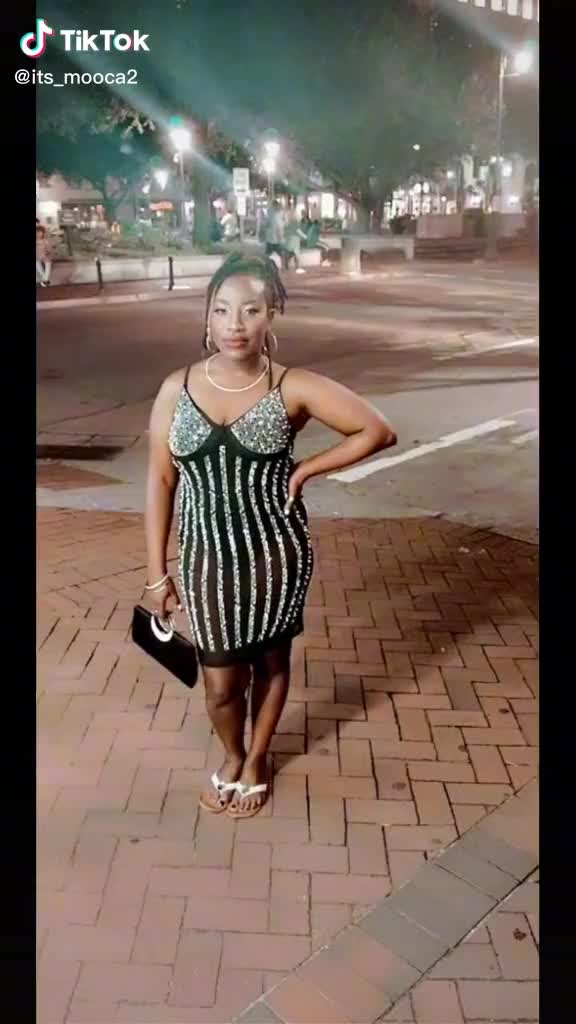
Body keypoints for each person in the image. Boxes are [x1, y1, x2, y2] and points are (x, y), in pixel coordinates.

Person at [144, 253, 396, 818]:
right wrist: (157, 574)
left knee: (271, 662)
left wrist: (306, 471)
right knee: (220, 684)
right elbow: (160, 481)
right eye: (221, 310)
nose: (234, 324)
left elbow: (377, 430)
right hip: (206, 559)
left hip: (274, 553)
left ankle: (256, 759)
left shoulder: (290, 385)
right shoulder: (176, 388)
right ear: (207, 318)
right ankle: (232, 753)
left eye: (250, 310)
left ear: (271, 317)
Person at [264, 201, 287, 268]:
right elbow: (285, 224)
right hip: (277, 239)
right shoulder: (280, 214)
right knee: (281, 254)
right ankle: (283, 266)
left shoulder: (271, 214)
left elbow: (266, 224)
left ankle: (267, 266)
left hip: (272, 239)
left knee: (268, 254)